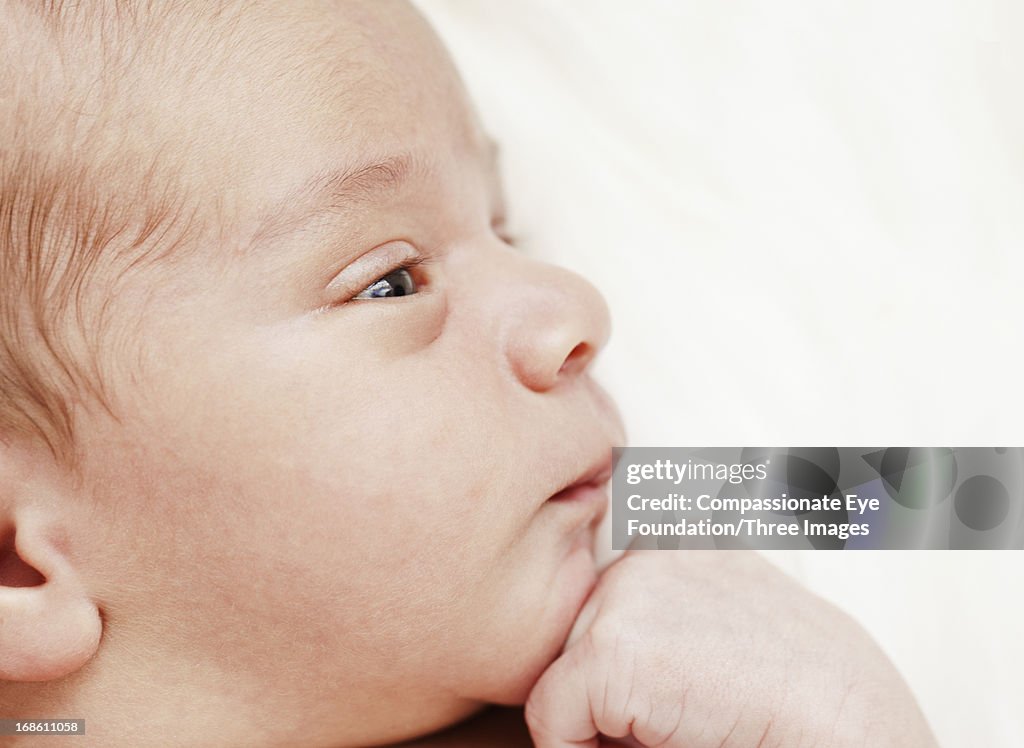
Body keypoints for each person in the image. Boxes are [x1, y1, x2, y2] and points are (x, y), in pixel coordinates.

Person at [0, 2, 936, 745]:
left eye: (507, 228)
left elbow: (950, 499)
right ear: (18, 560)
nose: (579, 307)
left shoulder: (674, 556)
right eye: (391, 283)